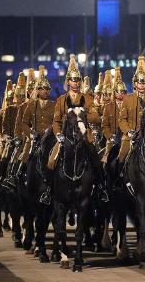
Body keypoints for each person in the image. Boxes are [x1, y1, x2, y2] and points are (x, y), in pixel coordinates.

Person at [40, 55, 100, 205]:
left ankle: (100, 188)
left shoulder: (88, 98)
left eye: (78, 79)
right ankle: (48, 189)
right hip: (65, 138)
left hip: (84, 136)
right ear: (68, 81)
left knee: (96, 159)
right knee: (51, 160)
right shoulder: (61, 99)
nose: (76, 82)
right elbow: (56, 121)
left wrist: (87, 114)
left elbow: (95, 118)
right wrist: (59, 134)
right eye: (73, 79)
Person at [117, 55, 145, 162]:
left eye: (144, 82)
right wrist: (128, 131)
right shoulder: (127, 99)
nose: (142, 85)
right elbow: (122, 119)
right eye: (140, 82)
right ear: (135, 83)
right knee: (121, 156)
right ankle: (117, 177)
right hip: (131, 136)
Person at [101, 67, 126, 163]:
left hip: (127, 137)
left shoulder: (130, 106)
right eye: (117, 92)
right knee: (106, 159)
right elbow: (104, 125)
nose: (120, 94)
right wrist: (110, 136)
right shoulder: (108, 107)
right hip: (112, 139)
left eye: (122, 92)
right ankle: (105, 176)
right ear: (114, 93)